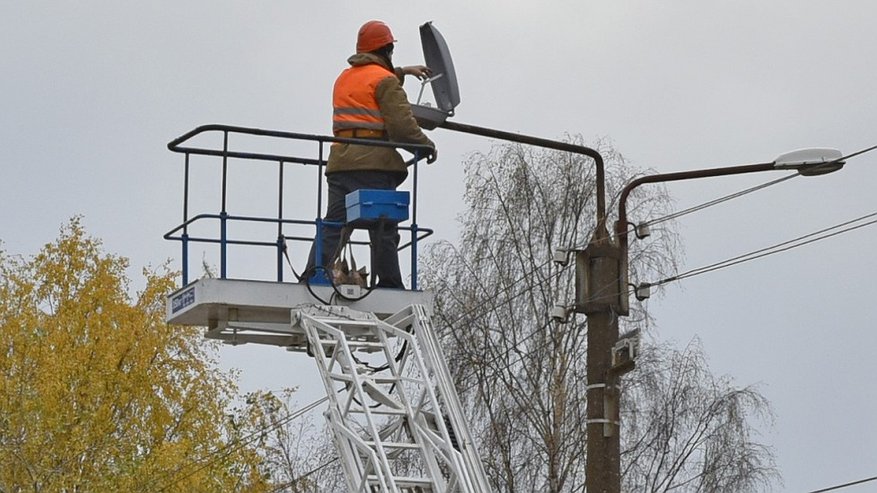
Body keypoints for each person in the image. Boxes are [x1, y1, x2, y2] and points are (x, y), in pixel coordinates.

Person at [306, 20, 437, 289]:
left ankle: (313, 275)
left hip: (341, 162)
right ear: (387, 50)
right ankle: (389, 283)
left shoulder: (344, 77)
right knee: (383, 227)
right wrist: (426, 145)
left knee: (334, 226)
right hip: (374, 163)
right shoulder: (385, 82)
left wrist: (403, 71)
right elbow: (402, 128)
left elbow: (368, 85)